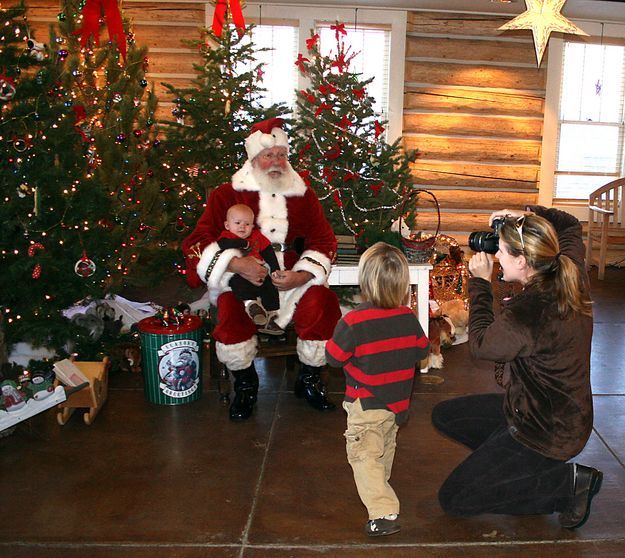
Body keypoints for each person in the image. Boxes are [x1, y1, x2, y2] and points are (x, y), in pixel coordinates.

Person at [431, 206, 602, 529]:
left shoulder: (530, 311)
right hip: (535, 409)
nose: (496, 255)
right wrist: (524, 213)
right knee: (445, 415)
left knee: (455, 499)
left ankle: (566, 485)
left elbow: (481, 345)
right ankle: (514, 467)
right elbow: (568, 224)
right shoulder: (567, 269)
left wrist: (480, 283)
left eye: (502, 252)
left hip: (548, 432)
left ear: (522, 262)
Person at [182, 117, 341, 421]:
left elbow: (323, 239)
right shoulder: (226, 195)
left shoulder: (303, 194)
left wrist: (303, 274)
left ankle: (309, 379)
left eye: (281, 154)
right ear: (253, 158)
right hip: (243, 283)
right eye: (268, 155)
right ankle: (245, 383)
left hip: (293, 281)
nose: (276, 161)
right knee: (229, 308)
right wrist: (236, 263)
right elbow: (197, 240)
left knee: (322, 303)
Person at [325, 242, 430, 537]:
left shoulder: (353, 321)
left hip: (366, 402)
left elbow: (333, 358)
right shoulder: (407, 317)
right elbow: (421, 350)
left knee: (364, 455)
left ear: (365, 281)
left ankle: (382, 511)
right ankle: (377, 487)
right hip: (396, 404)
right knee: (383, 449)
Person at [217, 203, 283, 336]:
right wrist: (242, 243)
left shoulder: (257, 237)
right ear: (227, 225)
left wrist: (275, 268)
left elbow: (268, 252)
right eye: (237, 223)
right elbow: (221, 245)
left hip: (259, 272)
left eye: (247, 224)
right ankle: (251, 305)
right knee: (238, 284)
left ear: (252, 226)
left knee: (270, 287)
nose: (242, 226)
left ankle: (270, 315)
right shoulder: (227, 236)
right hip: (238, 274)